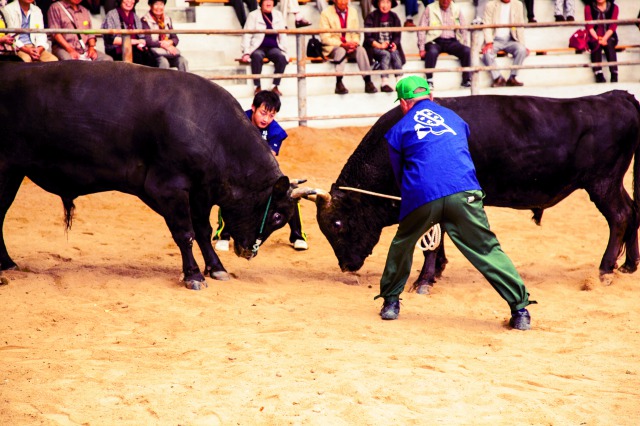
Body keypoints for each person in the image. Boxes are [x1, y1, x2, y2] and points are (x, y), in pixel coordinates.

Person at [377, 76, 535, 330]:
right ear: (429, 97)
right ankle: (520, 310)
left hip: (422, 193)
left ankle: (391, 303)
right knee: (486, 248)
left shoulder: (398, 129)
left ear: (404, 104)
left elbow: (399, 175)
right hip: (465, 189)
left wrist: (413, 202)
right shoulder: (455, 119)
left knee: (402, 244)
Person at [214, 91, 309, 252]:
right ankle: (223, 235)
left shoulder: (276, 131)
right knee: (228, 193)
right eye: (263, 113)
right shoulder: (237, 120)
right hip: (235, 169)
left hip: (261, 174)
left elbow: (268, 160)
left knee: (289, 195)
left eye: (271, 116)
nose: (266, 119)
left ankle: (297, 236)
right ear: (253, 108)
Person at [320, 0, 378, 94]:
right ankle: (339, 82)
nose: (343, 2)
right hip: (334, 47)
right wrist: (342, 44)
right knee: (341, 50)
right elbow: (325, 38)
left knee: (361, 50)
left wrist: (354, 44)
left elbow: (356, 33)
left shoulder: (353, 11)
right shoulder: (325, 13)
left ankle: (368, 81)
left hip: (349, 45)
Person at [416, 0, 471, 89]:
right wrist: (421, 48)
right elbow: (421, 28)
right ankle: (429, 80)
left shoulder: (456, 8)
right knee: (432, 51)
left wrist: (464, 43)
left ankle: (466, 79)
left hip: (452, 41)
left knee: (467, 50)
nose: (445, 1)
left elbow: (463, 28)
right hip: (435, 40)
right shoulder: (430, 8)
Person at [241, 0, 289, 96]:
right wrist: (246, 52)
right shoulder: (253, 15)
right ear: (261, 3)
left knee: (281, 58)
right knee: (257, 56)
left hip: (274, 47)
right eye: (266, 1)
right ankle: (257, 87)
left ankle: (275, 86)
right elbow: (247, 35)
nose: (268, 3)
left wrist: (285, 51)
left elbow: (283, 35)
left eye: (270, 1)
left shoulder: (278, 15)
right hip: (258, 47)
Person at [47, 0, 114, 62]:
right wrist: (70, 50)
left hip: (85, 48)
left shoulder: (84, 10)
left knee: (108, 60)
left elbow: (90, 33)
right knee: (68, 61)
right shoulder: (55, 7)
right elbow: (55, 33)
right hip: (63, 48)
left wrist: (92, 48)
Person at [481, 0, 528, 87]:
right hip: (495, 39)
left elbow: (520, 26)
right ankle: (498, 78)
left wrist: (522, 44)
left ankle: (512, 78)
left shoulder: (518, 4)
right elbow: (486, 25)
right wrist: (489, 42)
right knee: (486, 53)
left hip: (511, 39)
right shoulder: (490, 5)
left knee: (522, 50)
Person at [364, 0, 405, 92]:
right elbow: (368, 37)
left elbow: (397, 36)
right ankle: (384, 82)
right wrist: (379, 45)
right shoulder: (371, 16)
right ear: (378, 4)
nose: (385, 5)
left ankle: (400, 81)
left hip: (389, 46)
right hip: (374, 47)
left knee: (395, 52)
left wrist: (394, 44)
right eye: (383, 2)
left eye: (388, 2)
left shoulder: (394, 17)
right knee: (385, 54)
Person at [141, 0, 189, 71]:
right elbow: (148, 41)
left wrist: (170, 42)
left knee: (183, 61)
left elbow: (175, 38)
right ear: (150, 5)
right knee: (164, 62)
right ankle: (164, 82)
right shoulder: (145, 20)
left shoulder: (167, 19)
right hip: (154, 54)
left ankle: (185, 82)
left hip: (167, 52)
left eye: (161, 4)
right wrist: (164, 45)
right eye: (156, 4)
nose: (159, 7)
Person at [102, 0, 153, 65]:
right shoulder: (111, 15)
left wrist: (141, 44)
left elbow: (142, 37)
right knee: (137, 58)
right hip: (117, 50)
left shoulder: (135, 16)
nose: (129, 2)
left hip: (135, 48)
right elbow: (111, 39)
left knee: (150, 58)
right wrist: (136, 41)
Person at [585, 0, 618, 83]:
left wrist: (604, 38)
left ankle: (614, 73)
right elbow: (589, 27)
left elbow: (613, 26)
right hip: (594, 36)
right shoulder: (588, 7)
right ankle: (598, 73)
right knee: (595, 44)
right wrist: (598, 38)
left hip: (609, 36)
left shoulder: (614, 8)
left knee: (610, 43)